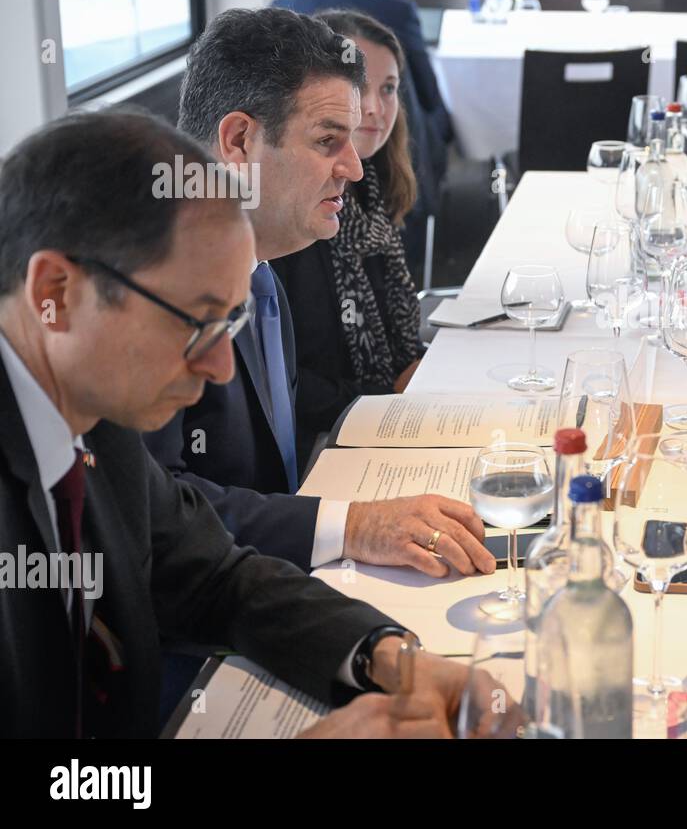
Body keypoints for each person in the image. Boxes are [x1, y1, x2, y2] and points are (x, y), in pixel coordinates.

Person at [0, 110, 493, 738]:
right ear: (58, 292)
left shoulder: (92, 407)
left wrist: (385, 657)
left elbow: (214, 577)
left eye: (230, 322)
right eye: (199, 321)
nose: (220, 365)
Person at [142, 7, 494, 581]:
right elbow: (160, 514)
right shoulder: (152, 292)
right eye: (329, 141)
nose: (354, 169)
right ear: (237, 141)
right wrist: (351, 526)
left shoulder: (263, 272)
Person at [273, 10, 424, 459]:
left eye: (389, 89)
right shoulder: (292, 215)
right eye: (360, 89)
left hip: (387, 410)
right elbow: (286, 382)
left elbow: (400, 333)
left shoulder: (375, 186)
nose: (375, 108)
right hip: (328, 436)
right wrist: (381, 395)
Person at [273, 0, 451, 275]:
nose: (371, 106)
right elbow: (427, 90)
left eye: (386, 87)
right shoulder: (398, 10)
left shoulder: (282, 7)